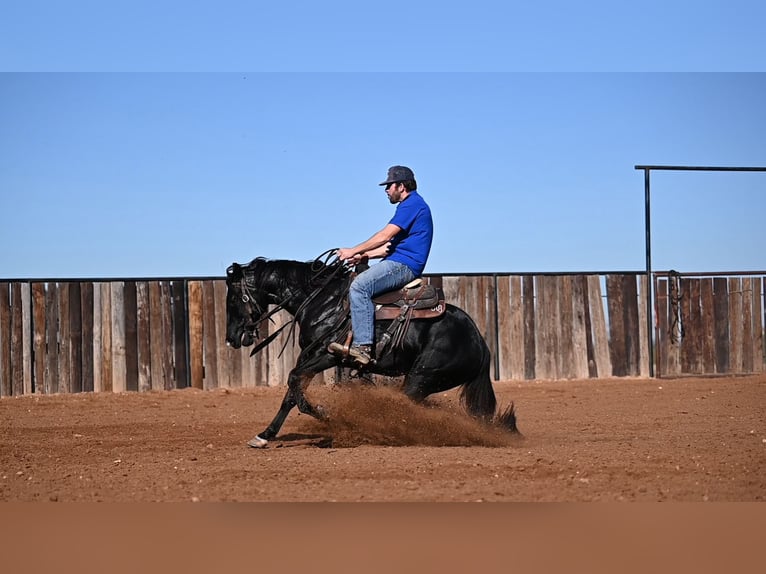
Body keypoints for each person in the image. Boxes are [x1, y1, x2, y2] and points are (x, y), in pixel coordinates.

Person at [329, 165, 433, 366]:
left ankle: (364, 347)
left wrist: (352, 250)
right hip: (398, 260)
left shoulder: (412, 205)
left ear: (401, 186)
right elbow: (387, 248)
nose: (386, 190)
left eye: (389, 186)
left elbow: (384, 236)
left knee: (359, 287)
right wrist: (365, 256)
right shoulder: (409, 206)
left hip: (404, 265)